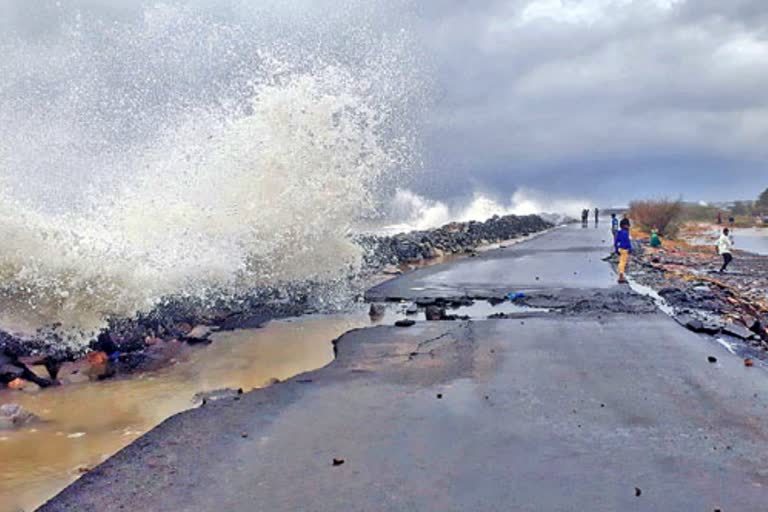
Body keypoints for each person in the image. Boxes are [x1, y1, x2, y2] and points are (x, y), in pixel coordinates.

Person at [614, 218, 632, 284]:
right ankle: (621, 277)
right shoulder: (625, 232)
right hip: (625, 249)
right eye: (628, 225)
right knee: (623, 263)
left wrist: (616, 249)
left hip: (620, 248)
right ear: (625, 225)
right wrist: (630, 248)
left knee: (621, 261)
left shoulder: (619, 232)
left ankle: (621, 275)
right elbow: (627, 241)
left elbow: (616, 241)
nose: (628, 226)